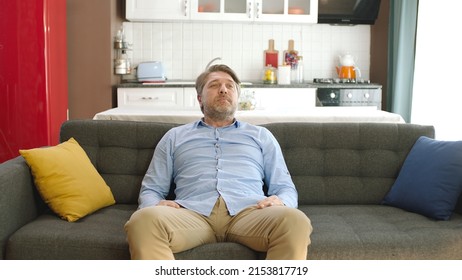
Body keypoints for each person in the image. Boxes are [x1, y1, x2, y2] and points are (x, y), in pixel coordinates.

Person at [124, 64, 312, 260]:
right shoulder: (174, 137)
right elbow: (151, 189)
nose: (223, 89)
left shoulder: (261, 136)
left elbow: (285, 188)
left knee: (296, 220)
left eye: (230, 86)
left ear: (237, 97)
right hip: (191, 215)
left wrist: (280, 201)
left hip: (249, 214)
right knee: (142, 220)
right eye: (214, 85)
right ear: (199, 99)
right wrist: (155, 205)